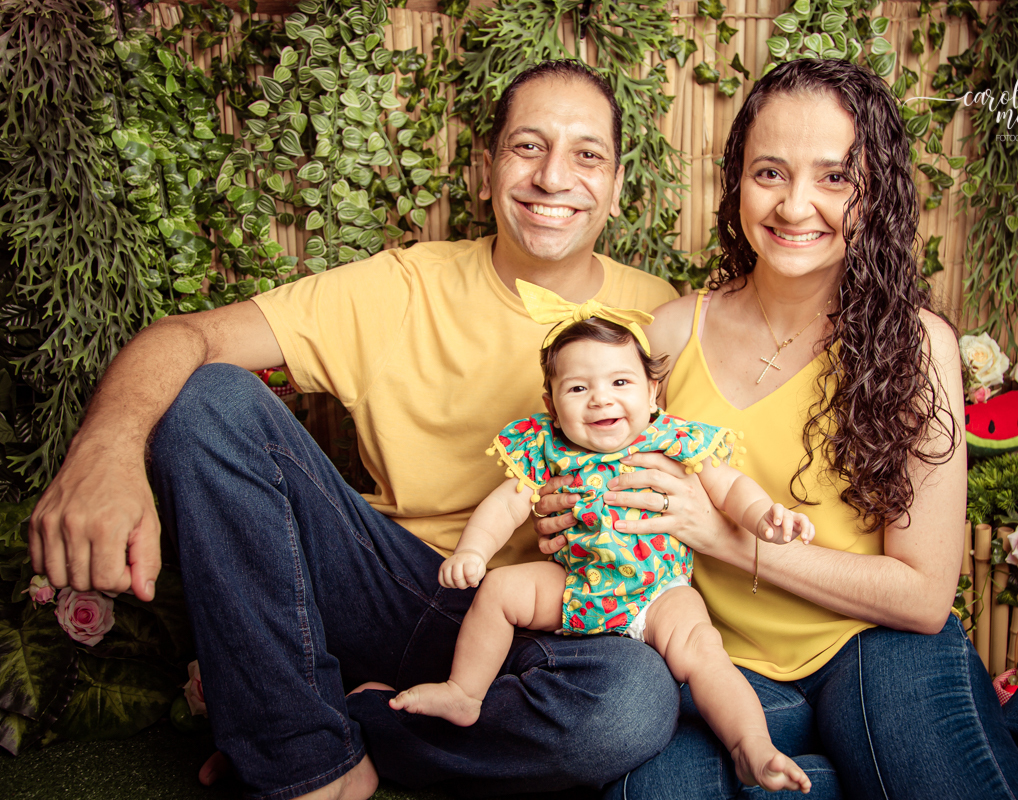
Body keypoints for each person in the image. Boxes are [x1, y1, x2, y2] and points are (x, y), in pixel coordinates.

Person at [27, 60, 683, 800]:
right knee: (208, 397)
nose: (554, 177)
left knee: (628, 709)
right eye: (527, 146)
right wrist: (104, 451)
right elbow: (188, 337)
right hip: (392, 588)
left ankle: (325, 714)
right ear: (487, 169)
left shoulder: (660, 318)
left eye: (586, 154)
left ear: (619, 185)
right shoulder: (402, 286)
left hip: (548, 623)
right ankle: (305, 764)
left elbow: (694, 491)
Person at [532, 58, 1018, 800]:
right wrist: (566, 512)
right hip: (723, 668)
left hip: (877, 645)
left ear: (876, 193)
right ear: (737, 182)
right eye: (770, 172)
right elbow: (597, 458)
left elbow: (922, 596)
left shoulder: (915, 345)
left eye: (835, 177)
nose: (796, 206)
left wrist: (723, 535)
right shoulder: (667, 334)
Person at [380, 283, 814, 792]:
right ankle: (464, 692)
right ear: (552, 402)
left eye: (621, 381)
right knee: (498, 591)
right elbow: (505, 504)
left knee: (702, 647)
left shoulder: (669, 437)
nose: (601, 398)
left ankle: (751, 747)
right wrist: (474, 551)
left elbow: (730, 487)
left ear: (654, 393)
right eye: (578, 388)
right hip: (577, 581)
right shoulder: (545, 447)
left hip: (659, 591)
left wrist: (765, 517)